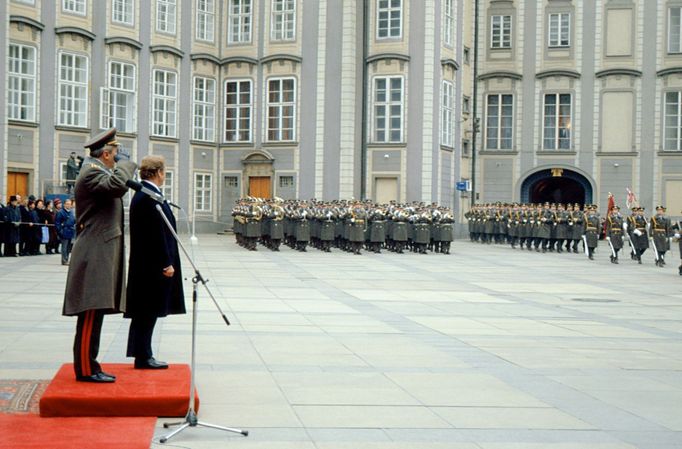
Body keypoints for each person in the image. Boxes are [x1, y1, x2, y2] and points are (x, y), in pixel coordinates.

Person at [62, 128, 137, 383]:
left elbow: (116, 185)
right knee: (90, 311)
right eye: (115, 153)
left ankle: (91, 365)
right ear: (106, 154)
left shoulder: (99, 171)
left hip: (100, 248)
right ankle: (84, 369)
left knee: (97, 312)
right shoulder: (91, 173)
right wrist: (126, 164)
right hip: (94, 250)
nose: (117, 157)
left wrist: (121, 166)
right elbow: (117, 186)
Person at [125, 155, 185, 370]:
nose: (164, 175)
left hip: (147, 265)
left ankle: (142, 353)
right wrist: (166, 262)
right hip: (151, 266)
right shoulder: (148, 197)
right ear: (158, 172)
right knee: (147, 311)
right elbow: (155, 234)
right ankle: (143, 356)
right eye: (164, 171)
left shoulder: (148, 194)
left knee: (146, 312)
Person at [55, 198, 76, 265]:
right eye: (67, 204)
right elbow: (57, 223)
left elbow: (73, 220)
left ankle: (67, 259)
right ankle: (64, 260)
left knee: (68, 248)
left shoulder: (71, 212)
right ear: (64, 204)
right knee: (64, 247)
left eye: (70, 204)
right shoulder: (60, 212)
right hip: (64, 231)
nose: (68, 205)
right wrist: (60, 231)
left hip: (70, 231)